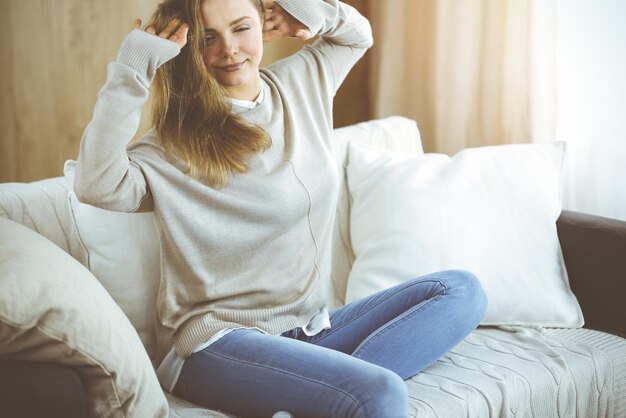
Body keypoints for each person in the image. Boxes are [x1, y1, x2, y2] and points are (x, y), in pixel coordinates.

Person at [74, 0, 488, 416]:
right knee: (379, 393)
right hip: (216, 345)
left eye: (241, 28)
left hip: (310, 330)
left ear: (263, 26)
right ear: (188, 48)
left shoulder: (301, 82)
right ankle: (336, 397)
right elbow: (96, 185)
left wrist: (302, 12)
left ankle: (324, 397)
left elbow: (357, 34)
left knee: (461, 291)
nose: (229, 49)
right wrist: (132, 69)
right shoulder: (172, 144)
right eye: (208, 38)